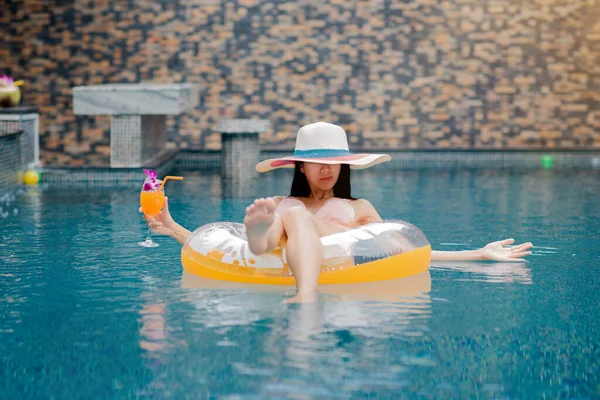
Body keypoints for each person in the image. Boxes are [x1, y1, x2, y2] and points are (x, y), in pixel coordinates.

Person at [143, 122, 533, 303]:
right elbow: (217, 250)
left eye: (335, 162)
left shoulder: (357, 208)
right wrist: (173, 227)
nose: (327, 169)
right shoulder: (281, 204)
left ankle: (277, 258)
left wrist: (479, 254)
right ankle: (279, 260)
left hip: (328, 250)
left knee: (292, 213)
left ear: (345, 166)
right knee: (290, 211)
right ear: (300, 166)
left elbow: (399, 249)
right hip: (277, 241)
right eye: (317, 162)